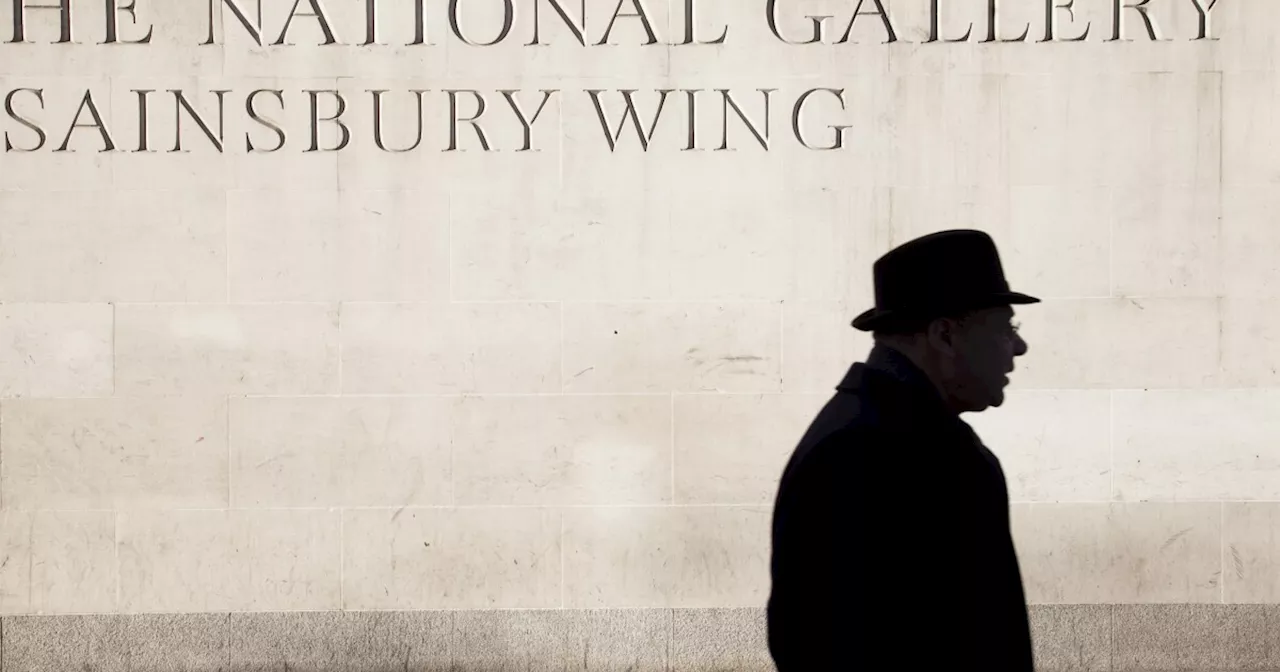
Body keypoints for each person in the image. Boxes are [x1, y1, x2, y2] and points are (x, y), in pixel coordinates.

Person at [766, 229, 1039, 671]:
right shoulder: (872, 449)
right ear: (945, 336)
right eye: (1007, 327)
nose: (1020, 347)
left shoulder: (877, 433)